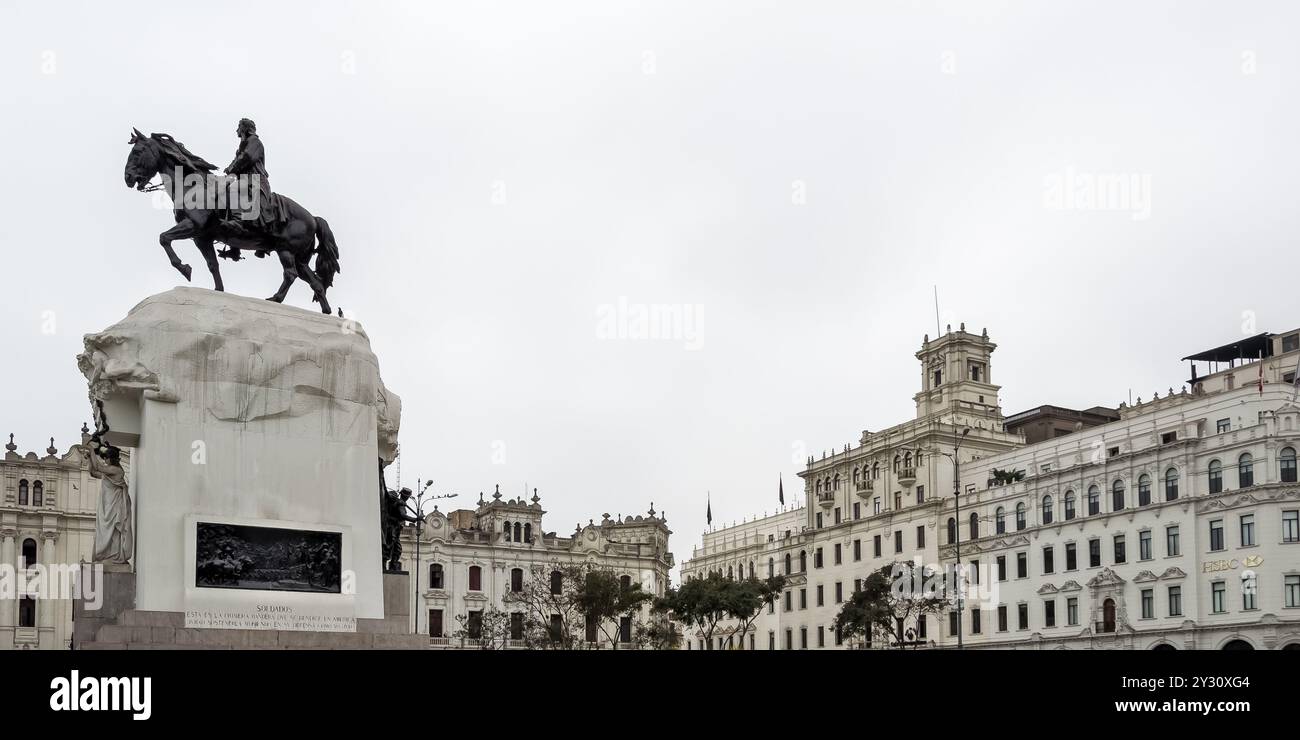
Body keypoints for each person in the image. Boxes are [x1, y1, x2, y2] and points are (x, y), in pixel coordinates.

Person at [222, 118, 283, 258]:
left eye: (239, 127)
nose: (237, 130)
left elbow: (247, 158)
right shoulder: (243, 145)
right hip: (246, 180)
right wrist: (230, 169)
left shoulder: (254, 142)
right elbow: (239, 158)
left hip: (255, 180)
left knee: (232, 189)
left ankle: (238, 222)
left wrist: (232, 168)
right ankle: (234, 247)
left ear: (245, 128)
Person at [85, 436, 133, 565]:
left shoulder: (116, 470)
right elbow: (93, 472)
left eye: (105, 457)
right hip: (107, 506)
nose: (104, 459)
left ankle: (115, 556)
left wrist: (91, 449)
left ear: (110, 458)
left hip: (115, 507)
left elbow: (98, 467)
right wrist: (90, 458)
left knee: (114, 531)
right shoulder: (109, 472)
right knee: (106, 531)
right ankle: (107, 555)